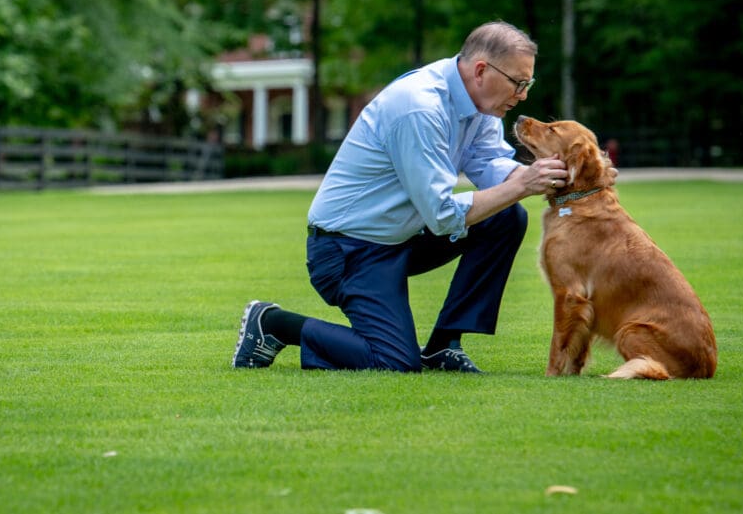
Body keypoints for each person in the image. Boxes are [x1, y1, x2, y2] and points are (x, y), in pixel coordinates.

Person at [232, 20, 571, 373]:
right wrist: (523, 184)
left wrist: (562, 180)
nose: (524, 94)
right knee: (392, 361)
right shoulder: (420, 108)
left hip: (399, 237)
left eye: (527, 83)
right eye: (518, 83)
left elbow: (490, 163)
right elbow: (442, 215)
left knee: (505, 216)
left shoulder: (479, 106)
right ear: (482, 70)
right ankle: (274, 323)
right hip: (347, 249)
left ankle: (443, 345)